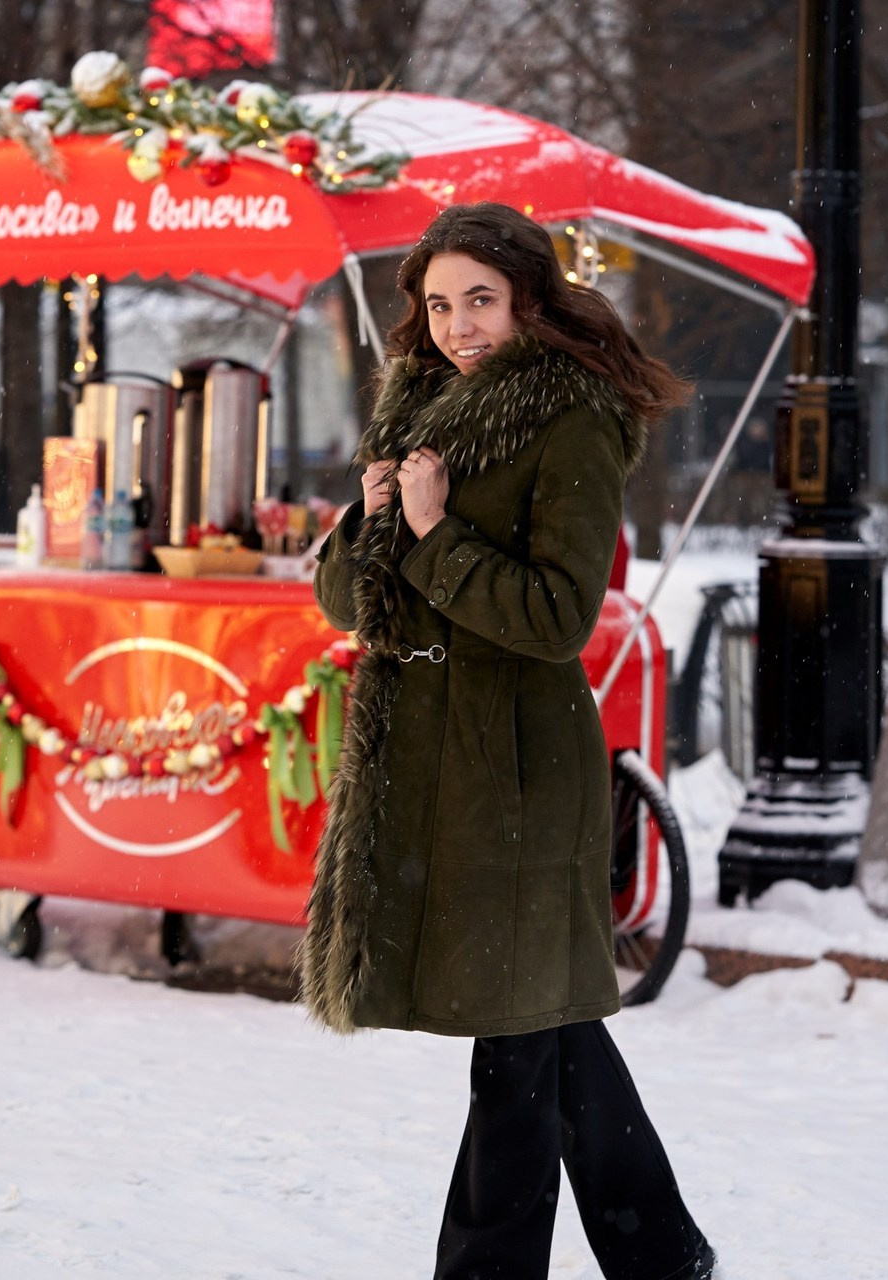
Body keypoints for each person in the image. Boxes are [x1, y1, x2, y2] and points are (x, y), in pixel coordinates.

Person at [302, 202, 715, 1280]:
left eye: (478, 299)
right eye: (438, 303)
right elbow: (349, 603)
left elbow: (553, 618)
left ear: (527, 296)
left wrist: (436, 536)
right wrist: (372, 515)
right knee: (547, 1025)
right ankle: (662, 1254)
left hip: (519, 765)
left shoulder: (568, 416)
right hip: (428, 758)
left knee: (518, 1044)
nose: (457, 325)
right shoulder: (416, 407)